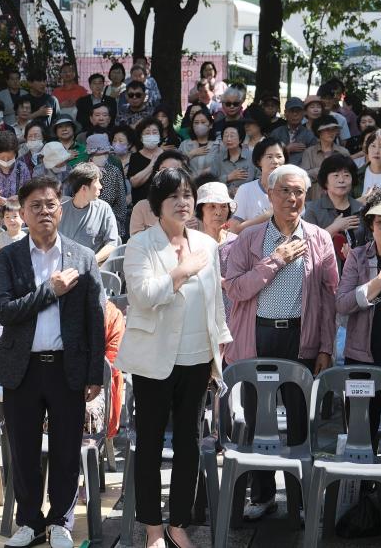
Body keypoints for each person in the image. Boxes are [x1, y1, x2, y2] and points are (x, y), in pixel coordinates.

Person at [116, 167, 231, 548]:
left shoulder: (207, 245)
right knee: (148, 443)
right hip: (155, 359)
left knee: (190, 443)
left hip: (198, 357)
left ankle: (178, 522)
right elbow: (144, 296)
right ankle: (151, 527)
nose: (183, 203)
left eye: (187, 195)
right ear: (157, 205)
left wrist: (221, 342)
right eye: (174, 197)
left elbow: (215, 301)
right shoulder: (141, 244)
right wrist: (181, 272)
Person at [0, 176, 105, 548]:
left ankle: (60, 520)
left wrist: (94, 373)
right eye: (35, 206)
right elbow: (6, 312)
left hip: (65, 367)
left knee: (66, 448)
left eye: (50, 204)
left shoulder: (82, 256)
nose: (44, 211)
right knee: (22, 448)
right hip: (21, 368)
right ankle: (29, 522)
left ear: (61, 207)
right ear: (22, 213)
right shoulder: (9, 256)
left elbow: (95, 320)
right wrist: (49, 291)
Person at [224, 164, 338, 521]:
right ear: (270, 195)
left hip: (300, 337)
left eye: (299, 192)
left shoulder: (319, 238)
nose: (292, 198)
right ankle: (262, 496)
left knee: (300, 420)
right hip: (257, 335)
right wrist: (275, 260)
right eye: (284, 191)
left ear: (307, 195)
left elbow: (330, 297)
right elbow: (236, 289)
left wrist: (325, 347)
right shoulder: (249, 239)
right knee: (259, 419)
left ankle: (301, 501)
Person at [336, 188, 381, 448]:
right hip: (363, 359)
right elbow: (342, 304)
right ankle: (364, 487)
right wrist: (380, 280)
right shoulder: (357, 257)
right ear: (371, 223)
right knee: (363, 434)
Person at [303, 154, 363, 260]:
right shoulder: (313, 210)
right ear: (326, 181)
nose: (341, 180)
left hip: (358, 271)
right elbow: (308, 246)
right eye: (336, 175)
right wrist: (334, 228)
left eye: (346, 175)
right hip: (325, 272)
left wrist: (355, 254)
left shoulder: (361, 209)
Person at [60, 162, 120, 264]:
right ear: (84, 188)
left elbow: (112, 243)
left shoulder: (103, 209)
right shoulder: (60, 211)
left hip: (92, 268)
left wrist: (92, 261)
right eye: (97, 182)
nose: (101, 186)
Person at [195, 180, 238, 319]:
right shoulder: (192, 244)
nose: (218, 212)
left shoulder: (238, 243)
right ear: (201, 210)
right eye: (212, 207)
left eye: (223, 207)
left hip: (234, 313)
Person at [129, 151, 193, 237]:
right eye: (164, 170)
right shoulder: (142, 208)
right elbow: (136, 242)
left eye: (175, 170)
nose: (169, 175)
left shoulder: (192, 206)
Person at [230, 138, 286, 234]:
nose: (275, 161)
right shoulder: (245, 190)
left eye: (279, 156)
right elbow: (234, 229)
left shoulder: (292, 191)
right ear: (259, 161)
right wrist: (267, 216)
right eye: (269, 157)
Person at [86, 133, 129, 243]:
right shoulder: (82, 171)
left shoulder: (114, 171)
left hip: (110, 222)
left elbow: (121, 202)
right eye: (100, 154)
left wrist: (115, 222)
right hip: (86, 224)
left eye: (106, 154)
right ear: (91, 155)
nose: (104, 157)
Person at [300, 115, 351, 196]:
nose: (331, 133)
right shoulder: (309, 152)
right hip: (315, 198)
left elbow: (349, 175)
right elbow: (303, 176)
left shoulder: (343, 152)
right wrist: (324, 170)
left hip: (339, 197)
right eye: (327, 129)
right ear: (319, 132)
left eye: (334, 129)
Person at [210, 123, 256, 196]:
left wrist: (245, 190)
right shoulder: (217, 158)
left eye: (232, 136)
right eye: (226, 136)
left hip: (248, 198)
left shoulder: (252, 156)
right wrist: (228, 177)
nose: (228, 139)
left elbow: (260, 179)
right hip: (224, 200)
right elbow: (211, 183)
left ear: (240, 139)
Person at [127, 118, 165, 205]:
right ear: (141, 137)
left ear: (160, 135)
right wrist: (152, 165)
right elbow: (134, 182)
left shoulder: (167, 155)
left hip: (163, 205)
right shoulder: (135, 157)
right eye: (147, 133)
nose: (151, 135)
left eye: (155, 132)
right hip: (141, 205)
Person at [271, 97, 318, 166]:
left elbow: (313, 160)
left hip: (301, 173)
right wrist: (286, 149)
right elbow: (269, 156)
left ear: (303, 114)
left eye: (298, 111)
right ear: (285, 113)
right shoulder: (276, 133)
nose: (295, 114)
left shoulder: (309, 135)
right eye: (292, 111)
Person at [179, 109, 220, 175]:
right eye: (196, 122)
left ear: (211, 125)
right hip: (189, 183)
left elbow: (222, 167)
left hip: (211, 183)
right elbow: (177, 166)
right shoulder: (184, 145)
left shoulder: (218, 145)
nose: (199, 125)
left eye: (203, 122)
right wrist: (191, 154)